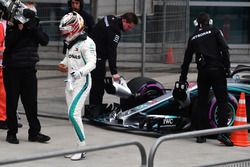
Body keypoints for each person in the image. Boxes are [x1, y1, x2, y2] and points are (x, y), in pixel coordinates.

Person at [176, 12, 233, 146]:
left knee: (201, 103)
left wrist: (182, 78)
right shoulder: (215, 30)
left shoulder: (193, 37)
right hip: (217, 70)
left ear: (196, 23)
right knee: (222, 101)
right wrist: (227, 68)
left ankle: (200, 135)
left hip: (203, 73)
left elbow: (186, 60)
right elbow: (224, 49)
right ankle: (223, 134)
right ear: (210, 22)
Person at [2, 0, 50, 144]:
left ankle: (34, 133)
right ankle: (12, 133)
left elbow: (44, 40)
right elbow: (9, 42)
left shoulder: (34, 26)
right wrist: (19, 28)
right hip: (12, 69)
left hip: (29, 69)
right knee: (12, 102)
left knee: (31, 103)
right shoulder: (13, 25)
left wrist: (32, 26)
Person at [58, 12, 96, 160]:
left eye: (66, 30)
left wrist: (79, 73)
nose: (64, 33)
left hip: (82, 82)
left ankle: (82, 147)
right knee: (72, 116)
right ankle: (78, 146)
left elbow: (92, 63)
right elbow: (69, 57)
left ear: (74, 27)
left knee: (74, 113)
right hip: (70, 83)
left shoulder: (88, 43)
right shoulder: (71, 42)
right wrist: (63, 63)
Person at [89, 12, 138, 114]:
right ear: (124, 20)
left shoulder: (110, 18)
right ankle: (94, 110)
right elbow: (112, 52)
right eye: (129, 26)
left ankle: (93, 107)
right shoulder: (115, 32)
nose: (129, 29)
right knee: (98, 87)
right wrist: (114, 72)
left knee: (93, 85)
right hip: (96, 58)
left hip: (90, 53)